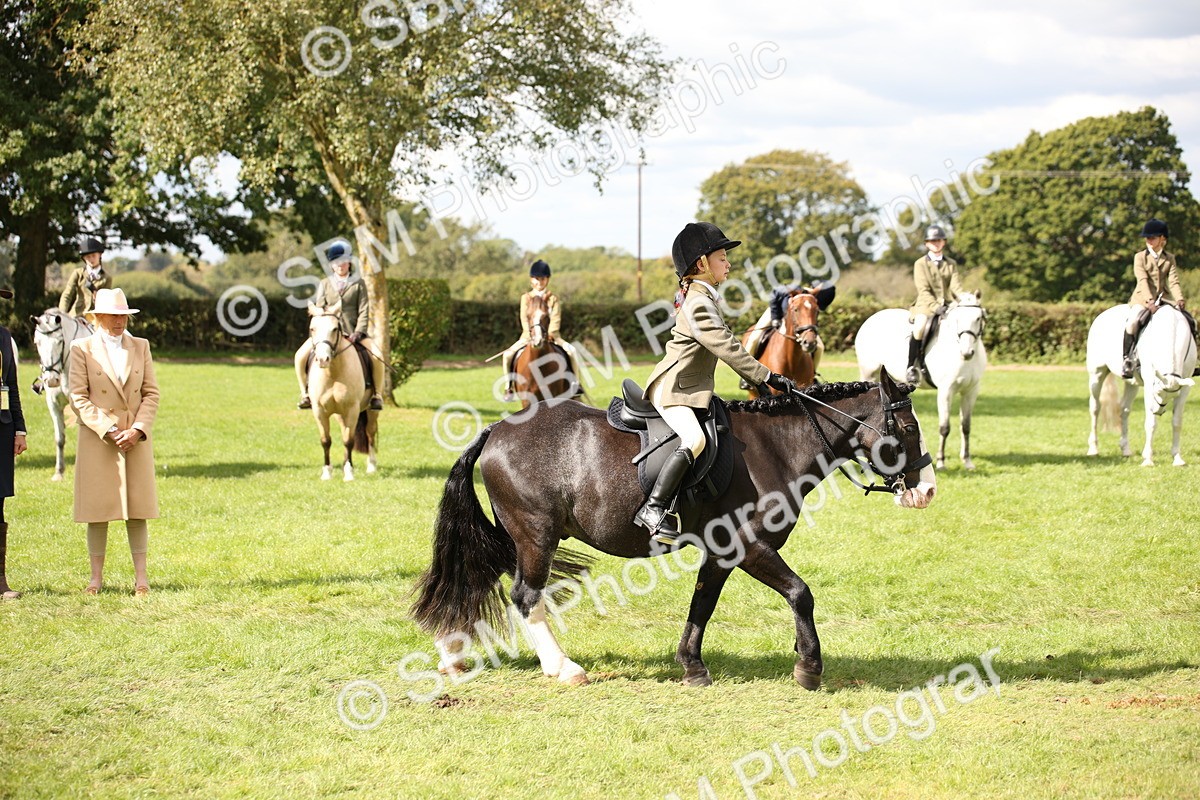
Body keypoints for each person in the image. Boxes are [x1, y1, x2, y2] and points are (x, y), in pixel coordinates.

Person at [636, 222, 792, 546]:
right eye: (722, 257)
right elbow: (726, 345)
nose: (728, 263)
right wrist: (767, 376)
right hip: (674, 389)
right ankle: (654, 509)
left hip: (691, 389)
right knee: (694, 440)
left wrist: (760, 384)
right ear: (702, 263)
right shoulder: (698, 302)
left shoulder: (704, 296)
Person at [68, 289, 160, 596]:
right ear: (97, 317)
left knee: (137, 508)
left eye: (124, 315)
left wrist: (137, 429)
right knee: (98, 509)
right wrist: (107, 428)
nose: (120, 321)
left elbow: (151, 393)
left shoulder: (141, 346)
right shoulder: (82, 348)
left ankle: (142, 579)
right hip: (99, 438)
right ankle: (95, 579)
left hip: (134, 438)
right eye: (114, 315)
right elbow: (78, 396)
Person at [295, 243, 385, 411]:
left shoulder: (358, 283)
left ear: (349, 262)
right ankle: (305, 394)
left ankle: (377, 395)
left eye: (343, 261)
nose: (340, 265)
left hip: (353, 332)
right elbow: (320, 308)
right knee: (299, 356)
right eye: (336, 262)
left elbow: (364, 310)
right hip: (327, 335)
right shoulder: (324, 284)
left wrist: (359, 331)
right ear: (331, 265)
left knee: (377, 356)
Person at [499, 260, 583, 402]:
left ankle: (576, 384)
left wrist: (552, 332)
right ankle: (509, 387)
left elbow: (555, 317)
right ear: (531, 279)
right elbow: (524, 318)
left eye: (542, 279)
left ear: (547, 279)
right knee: (507, 355)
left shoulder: (553, 299)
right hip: (529, 336)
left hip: (551, 336)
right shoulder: (526, 298)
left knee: (572, 351)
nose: (539, 282)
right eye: (536, 279)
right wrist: (528, 333)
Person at [1122, 218, 1186, 378]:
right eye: (1147, 237)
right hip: (1143, 300)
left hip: (1164, 300)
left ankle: (1191, 360)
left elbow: (1173, 280)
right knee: (1132, 323)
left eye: (1152, 237)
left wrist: (1179, 298)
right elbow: (1142, 280)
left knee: (1189, 321)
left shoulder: (1169, 258)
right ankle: (1127, 359)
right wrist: (1149, 301)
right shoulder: (1140, 257)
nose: (1148, 240)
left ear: (1162, 238)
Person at [906, 225, 963, 383]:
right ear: (926, 244)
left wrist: (964, 299)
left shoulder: (951, 263)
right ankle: (912, 366)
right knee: (920, 326)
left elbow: (956, 286)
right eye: (932, 241)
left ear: (943, 242)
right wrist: (935, 307)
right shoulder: (920, 264)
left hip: (947, 304)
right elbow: (923, 289)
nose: (936, 243)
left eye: (938, 240)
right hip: (925, 305)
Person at [0, 287, 27, 600]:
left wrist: (20, 429)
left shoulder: (5, 337)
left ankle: (1, 580)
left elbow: (13, 387)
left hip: (2, 429)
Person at [742, 278, 836, 368]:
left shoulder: (810, 304)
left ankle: (813, 375)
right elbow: (774, 294)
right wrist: (775, 318)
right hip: (777, 311)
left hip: (795, 321)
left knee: (820, 347)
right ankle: (746, 370)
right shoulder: (792, 289)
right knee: (754, 338)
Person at [59, 236, 112, 317]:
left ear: (100, 254)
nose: (91, 259)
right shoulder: (78, 273)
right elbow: (67, 294)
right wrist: (62, 312)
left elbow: (106, 302)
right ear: (84, 258)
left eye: (93, 255)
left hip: (95, 318)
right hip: (76, 315)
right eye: (88, 257)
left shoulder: (106, 278)